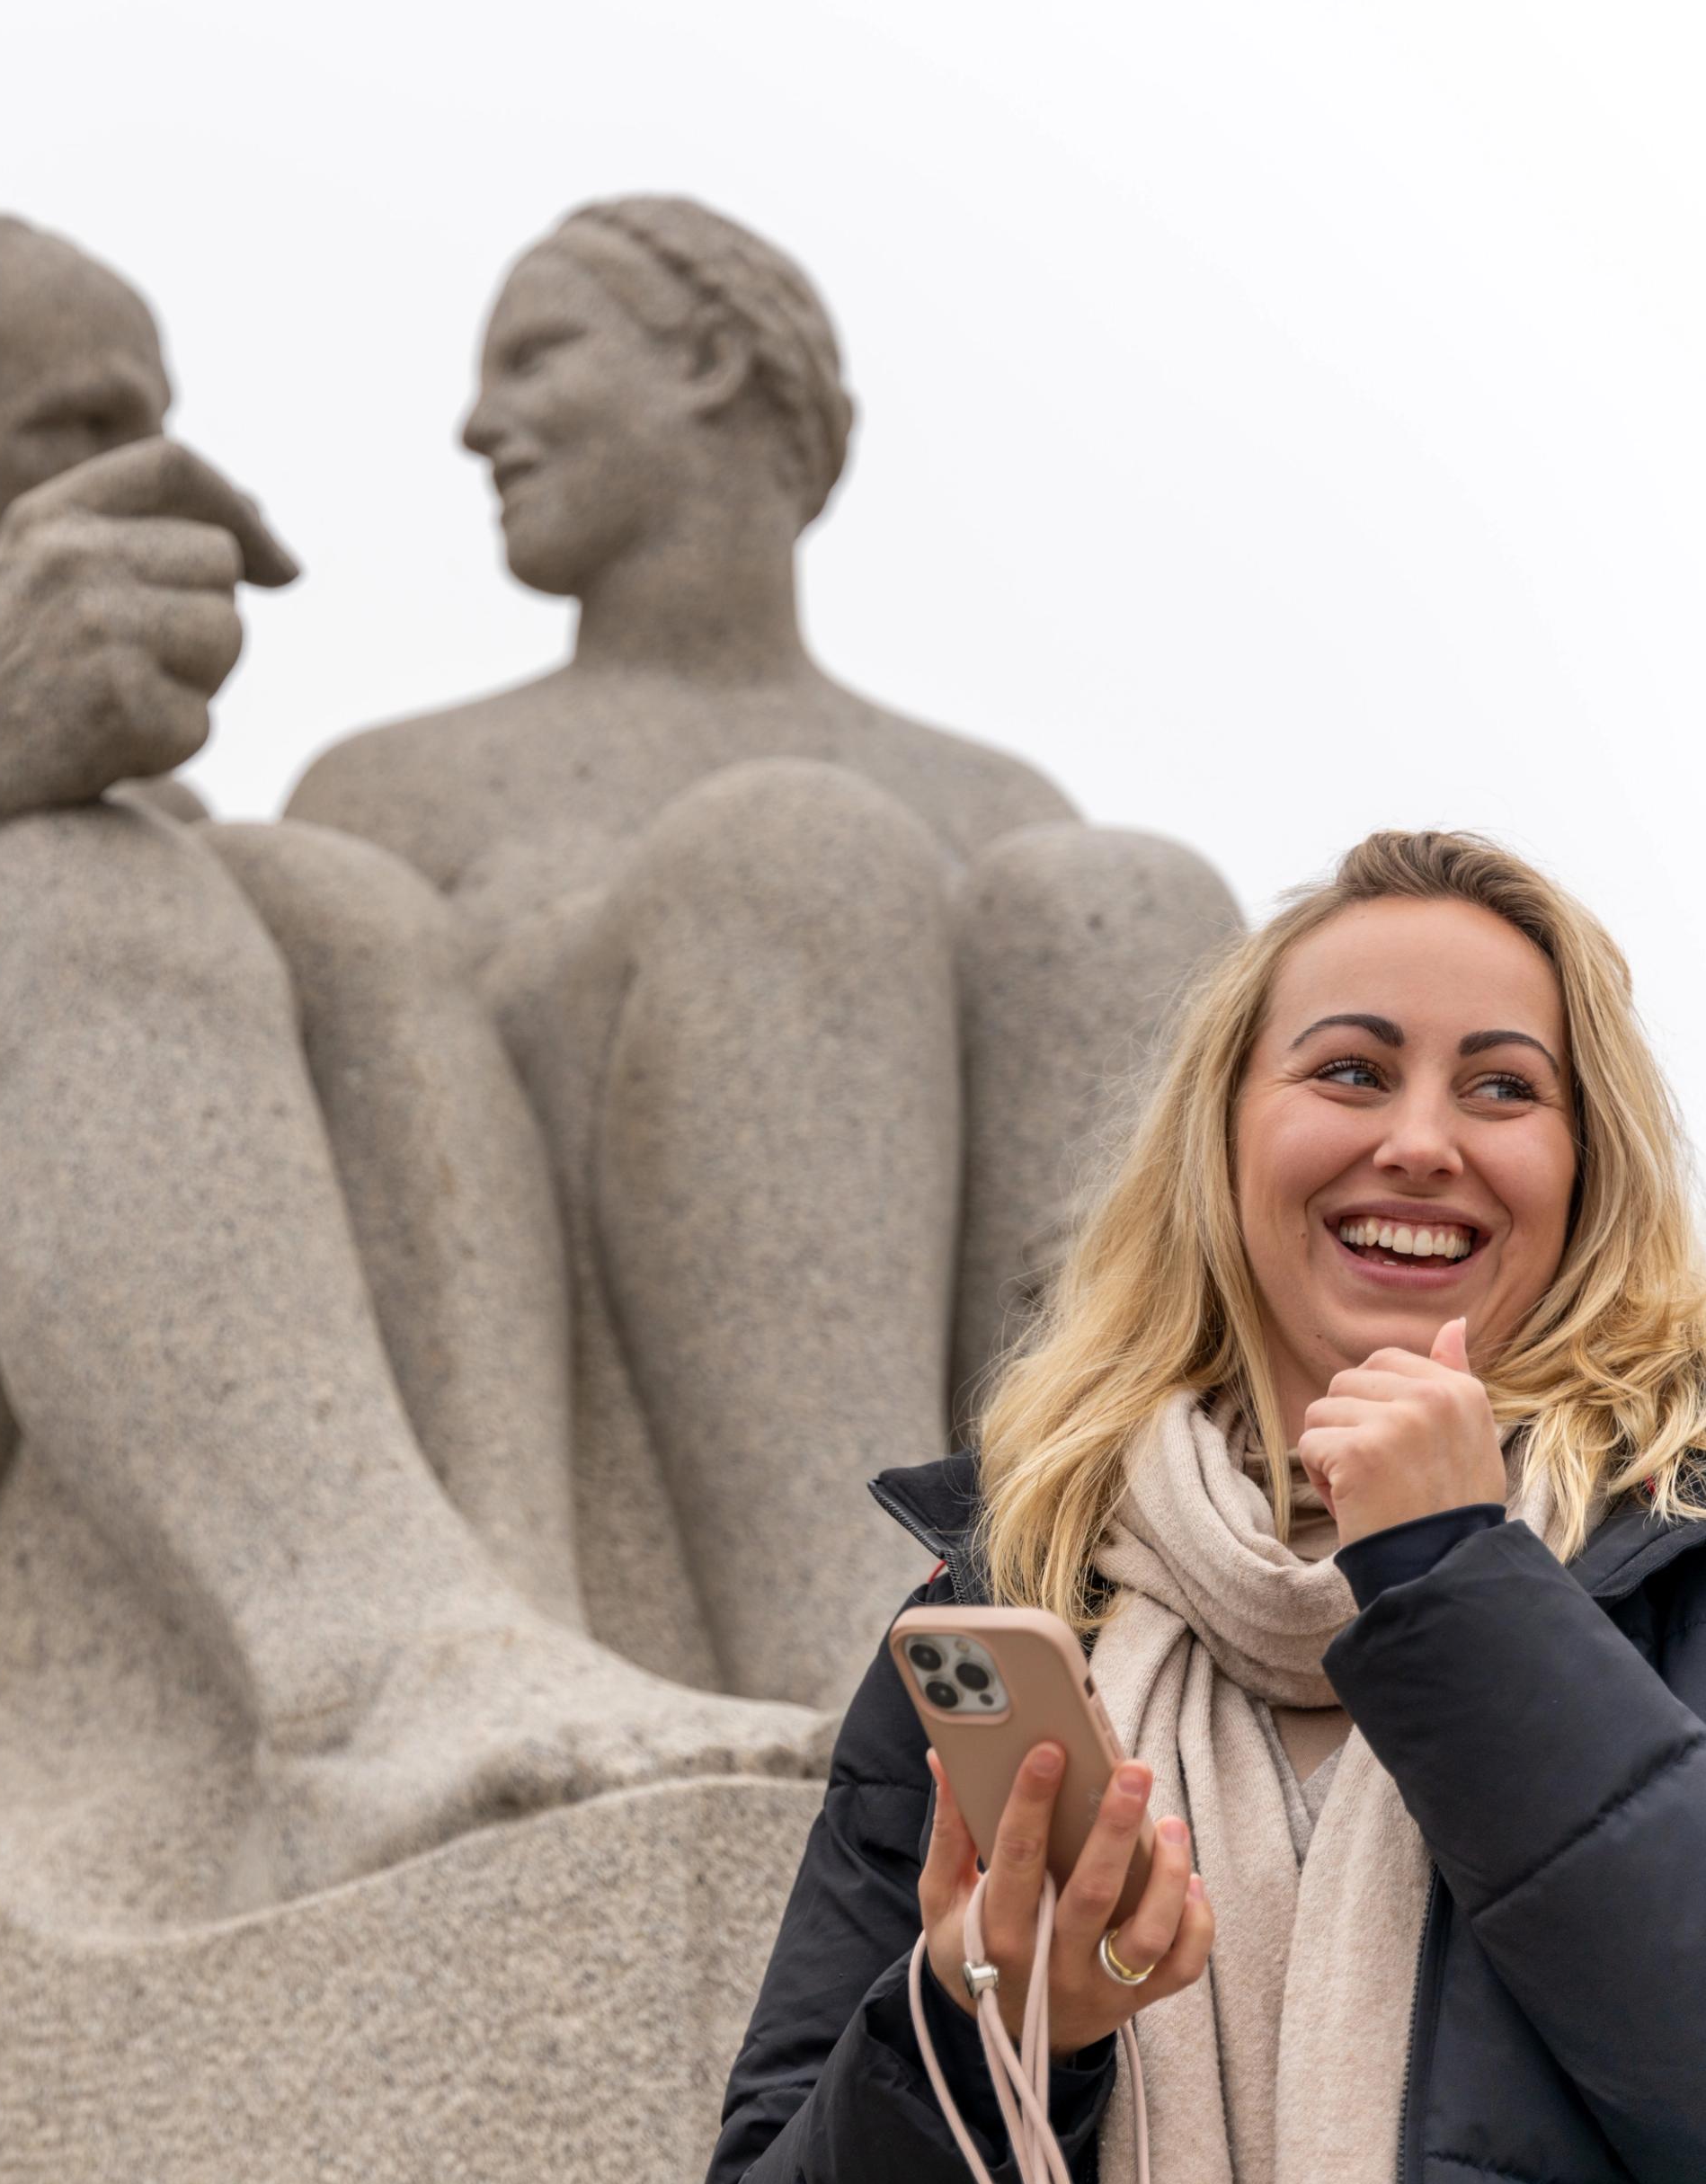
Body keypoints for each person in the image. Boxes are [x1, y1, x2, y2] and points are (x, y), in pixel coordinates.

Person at [0, 210, 823, 1916]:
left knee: (328, 899)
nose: (137, 485)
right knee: (70, 894)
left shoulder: (155, 837)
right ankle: (363, 1680)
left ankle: (505, 1624)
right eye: (77, 431)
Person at [697, 829, 1706, 2184]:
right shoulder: (1020, 1592)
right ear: (1228, 1138)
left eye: (1503, 1086)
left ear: (1585, 1166)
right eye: (1352, 1072)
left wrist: (1458, 1586)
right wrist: (1003, 2027)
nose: (1422, 1139)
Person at [282, 197, 1240, 1708]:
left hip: (1060, 1518)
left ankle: (1151, 1601)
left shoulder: (999, 807)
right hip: (610, 1491)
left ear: (714, 364)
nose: (481, 425)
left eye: (535, 357)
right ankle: (865, 1648)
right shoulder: (389, 790)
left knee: (1120, 895)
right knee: (793, 846)